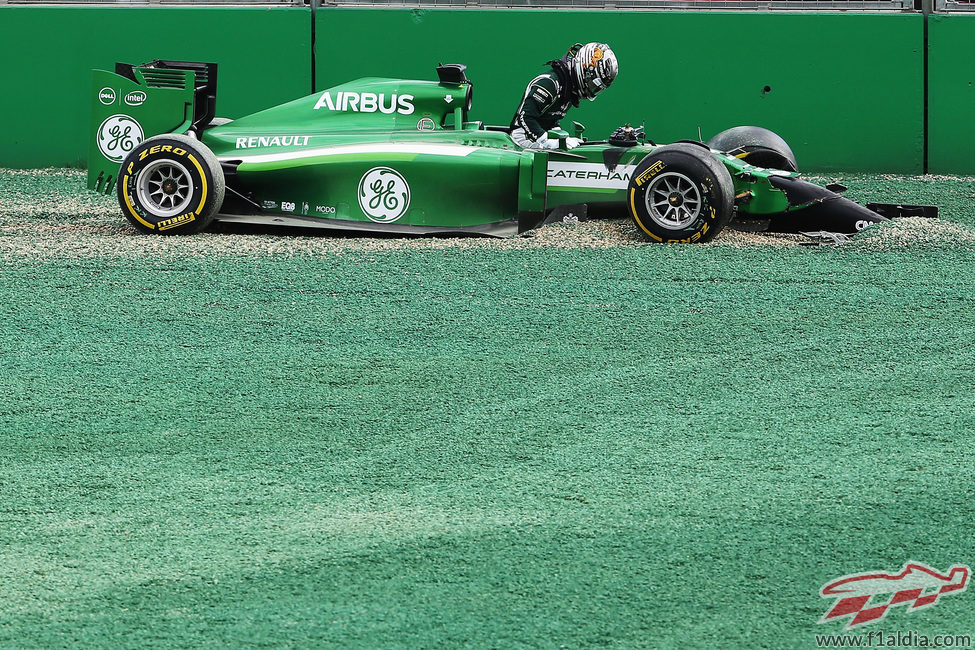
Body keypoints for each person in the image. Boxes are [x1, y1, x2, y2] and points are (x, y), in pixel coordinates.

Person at [510, 42, 619, 150]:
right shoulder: (550, 83)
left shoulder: (570, 87)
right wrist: (546, 141)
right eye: (593, 84)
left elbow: (551, 120)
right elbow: (525, 117)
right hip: (522, 140)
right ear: (585, 68)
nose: (592, 90)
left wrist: (562, 138)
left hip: (538, 139)